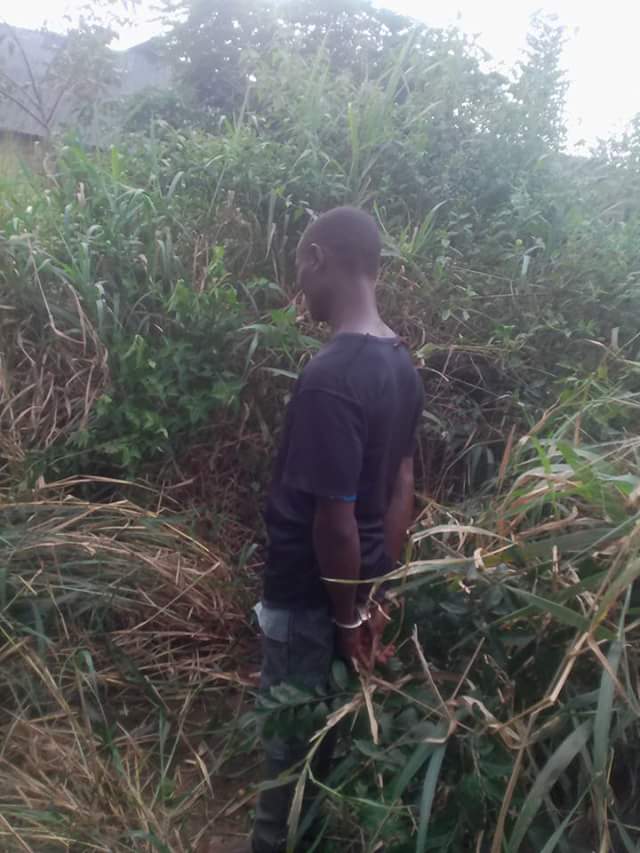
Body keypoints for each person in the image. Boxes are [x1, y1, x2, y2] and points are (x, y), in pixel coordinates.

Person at [210, 206, 423, 853]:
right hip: (356, 593)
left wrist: (346, 616)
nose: (299, 288)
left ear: (316, 259)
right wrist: (378, 592)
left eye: (299, 269)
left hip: (312, 600)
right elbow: (401, 484)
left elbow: (334, 520)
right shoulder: (400, 363)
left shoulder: (330, 377)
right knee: (324, 750)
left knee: (288, 760)